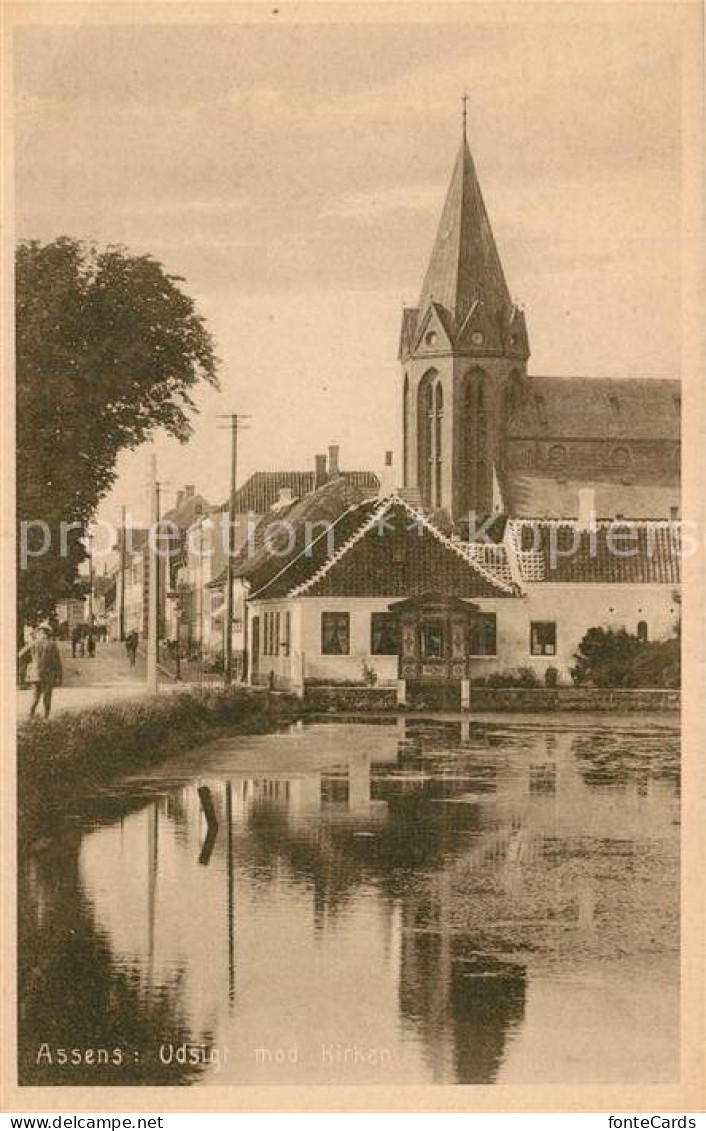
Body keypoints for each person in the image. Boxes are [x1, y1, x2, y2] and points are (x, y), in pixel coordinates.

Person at [20, 622, 63, 720]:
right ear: (49, 633)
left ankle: (30, 715)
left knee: (35, 697)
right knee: (47, 697)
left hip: (35, 675)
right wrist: (59, 676)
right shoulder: (52, 645)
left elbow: (20, 655)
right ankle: (46, 717)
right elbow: (57, 662)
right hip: (48, 675)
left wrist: (29, 664)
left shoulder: (33, 643)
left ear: (39, 632)